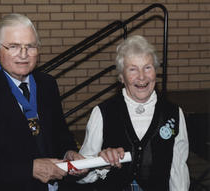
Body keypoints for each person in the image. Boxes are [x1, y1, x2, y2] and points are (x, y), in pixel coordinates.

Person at [0, 13, 85, 191]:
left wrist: (69, 153)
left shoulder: (47, 84)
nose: (23, 55)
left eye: (30, 46)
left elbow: (61, 135)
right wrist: (29, 169)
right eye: (14, 46)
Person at [78, 35, 190, 191]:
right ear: (122, 77)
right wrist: (101, 163)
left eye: (147, 67)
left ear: (155, 73)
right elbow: (81, 175)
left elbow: (178, 169)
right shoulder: (102, 113)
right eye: (133, 69)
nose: (142, 77)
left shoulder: (174, 113)